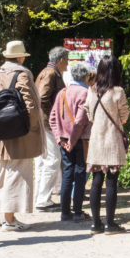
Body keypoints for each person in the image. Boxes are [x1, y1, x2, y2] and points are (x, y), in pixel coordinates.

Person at [0, 40, 44, 232]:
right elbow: (28, 103)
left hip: (3, 127)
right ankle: (9, 220)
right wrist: (34, 126)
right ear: (20, 57)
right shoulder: (23, 74)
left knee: (2, 170)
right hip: (21, 130)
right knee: (17, 172)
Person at [85, 56, 129, 234]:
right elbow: (124, 117)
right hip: (112, 141)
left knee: (96, 182)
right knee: (111, 183)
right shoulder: (118, 91)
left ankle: (96, 224)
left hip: (96, 140)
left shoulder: (92, 90)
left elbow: (89, 115)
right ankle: (111, 224)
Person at [49, 62, 92, 222]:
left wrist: (60, 139)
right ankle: (77, 212)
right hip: (80, 140)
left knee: (67, 174)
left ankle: (65, 212)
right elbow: (80, 121)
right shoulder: (86, 93)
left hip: (64, 141)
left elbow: (52, 118)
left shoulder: (62, 92)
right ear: (86, 76)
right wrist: (72, 141)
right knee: (80, 173)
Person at [34, 46, 69, 212]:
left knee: (42, 161)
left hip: (41, 123)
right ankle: (43, 200)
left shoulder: (46, 71)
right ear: (61, 60)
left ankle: (40, 197)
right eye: (67, 60)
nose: (68, 64)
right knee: (53, 160)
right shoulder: (51, 73)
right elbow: (42, 98)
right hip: (47, 124)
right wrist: (52, 116)